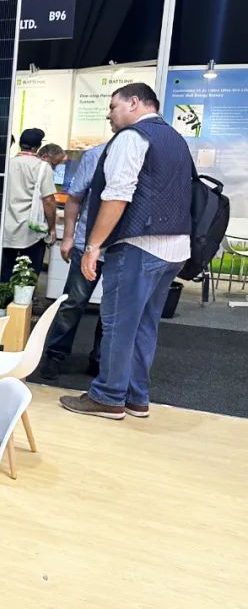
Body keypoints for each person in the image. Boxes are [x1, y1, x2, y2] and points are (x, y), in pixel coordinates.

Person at [60, 83, 193, 420]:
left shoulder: (132, 137)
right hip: (174, 247)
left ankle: (108, 396)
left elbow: (117, 195)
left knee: (118, 323)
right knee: (145, 324)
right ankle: (136, 397)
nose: (109, 114)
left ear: (134, 103)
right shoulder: (175, 138)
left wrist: (93, 246)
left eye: (113, 106)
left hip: (138, 245)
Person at [38, 142, 107, 381]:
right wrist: (68, 237)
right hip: (86, 243)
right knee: (73, 302)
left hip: (122, 248)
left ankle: (100, 358)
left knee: (112, 308)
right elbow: (75, 198)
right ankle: (55, 354)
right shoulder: (95, 155)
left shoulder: (141, 152)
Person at [1, 127, 56, 282]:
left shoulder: (6, 164)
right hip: (32, 231)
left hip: (6, 229)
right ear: (37, 147)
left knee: (5, 274)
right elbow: (49, 201)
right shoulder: (42, 167)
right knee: (28, 276)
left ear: (20, 144)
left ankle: (3, 297)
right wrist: (52, 228)